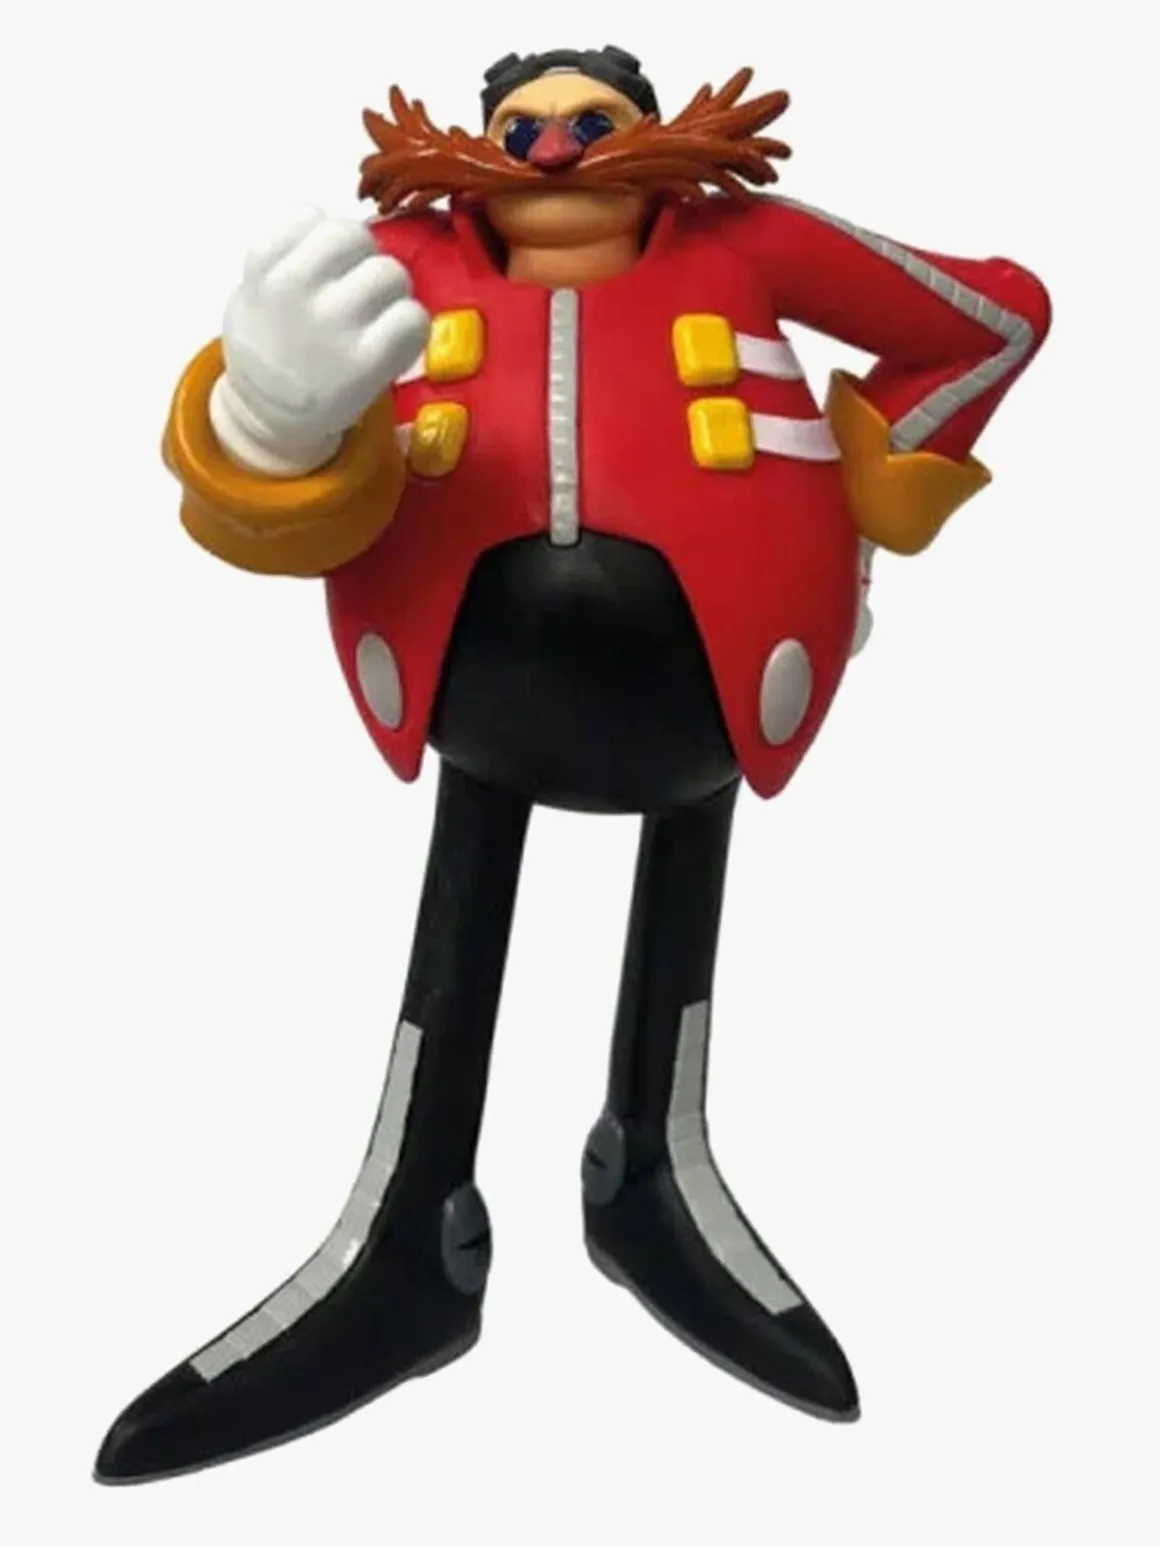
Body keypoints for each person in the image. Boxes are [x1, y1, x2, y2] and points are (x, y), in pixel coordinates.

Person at [96, 45, 1051, 1483]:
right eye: (521, 127)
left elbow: (993, 319)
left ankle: (655, 1168)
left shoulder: (752, 242)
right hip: (467, 677)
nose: (552, 152)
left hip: (717, 678)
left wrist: (865, 494)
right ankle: (406, 1230)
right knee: (462, 910)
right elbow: (252, 476)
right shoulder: (405, 262)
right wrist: (270, 418)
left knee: (679, 912)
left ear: (655, 134)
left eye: (591, 123)